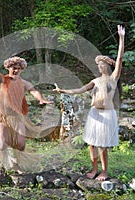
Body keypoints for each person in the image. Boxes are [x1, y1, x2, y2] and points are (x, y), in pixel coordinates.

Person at [53, 25, 125, 181]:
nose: (99, 67)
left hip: (107, 114)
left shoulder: (113, 78)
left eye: (102, 65)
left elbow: (119, 58)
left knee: (102, 145)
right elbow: (80, 89)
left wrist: (121, 37)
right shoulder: (95, 80)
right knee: (92, 143)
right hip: (95, 113)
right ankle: (94, 169)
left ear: (108, 66)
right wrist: (63, 91)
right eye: (98, 65)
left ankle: (104, 171)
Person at [0, 35, 53, 173]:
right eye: (13, 67)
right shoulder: (1, 79)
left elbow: (33, 91)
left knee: (20, 144)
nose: (15, 70)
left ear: (22, 69)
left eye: (18, 68)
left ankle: (15, 163)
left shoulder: (24, 83)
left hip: (18, 118)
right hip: (2, 118)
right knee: (2, 144)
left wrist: (41, 99)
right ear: (8, 68)